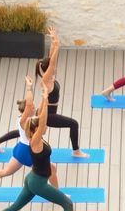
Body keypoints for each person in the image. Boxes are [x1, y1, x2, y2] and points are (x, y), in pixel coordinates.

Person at [0, 85, 90, 211]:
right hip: (38, 183)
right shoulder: (35, 141)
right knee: (67, 203)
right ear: (36, 130)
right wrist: (36, 93)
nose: (45, 126)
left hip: (32, 178)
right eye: (42, 126)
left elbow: (43, 119)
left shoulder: (34, 137)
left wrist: (45, 99)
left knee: (15, 206)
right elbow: (42, 122)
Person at [0, 76, 61, 193]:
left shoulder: (31, 117)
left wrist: (44, 96)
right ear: (27, 110)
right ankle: (58, 193)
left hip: (21, 149)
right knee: (51, 169)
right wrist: (29, 87)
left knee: (6, 171)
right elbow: (30, 104)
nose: (33, 107)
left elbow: (41, 109)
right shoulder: (23, 121)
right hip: (29, 151)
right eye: (31, 107)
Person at [35, 28, 87, 158]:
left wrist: (54, 40)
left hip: (48, 113)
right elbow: (52, 62)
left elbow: (52, 58)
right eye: (53, 66)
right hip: (48, 116)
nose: (55, 66)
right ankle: (76, 151)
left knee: (26, 130)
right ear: (49, 69)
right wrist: (57, 45)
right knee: (73, 124)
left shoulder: (50, 77)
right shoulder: (45, 81)